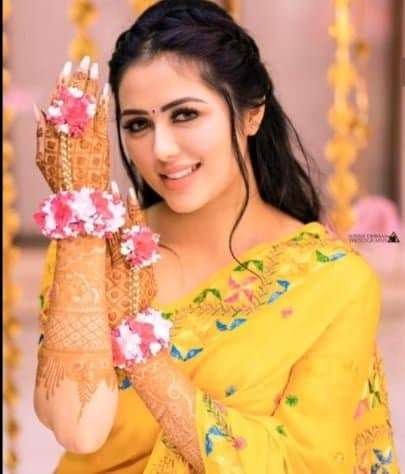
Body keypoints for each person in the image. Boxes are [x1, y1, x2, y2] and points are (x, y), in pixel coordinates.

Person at [33, 0, 400, 472]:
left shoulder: (331, 281)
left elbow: (304, 462)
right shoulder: (92, 251)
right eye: (138, 124)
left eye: (185, 114)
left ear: (251, 115)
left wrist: (141, 353)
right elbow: (78, 429)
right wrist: (82, 224)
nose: (162, 149)